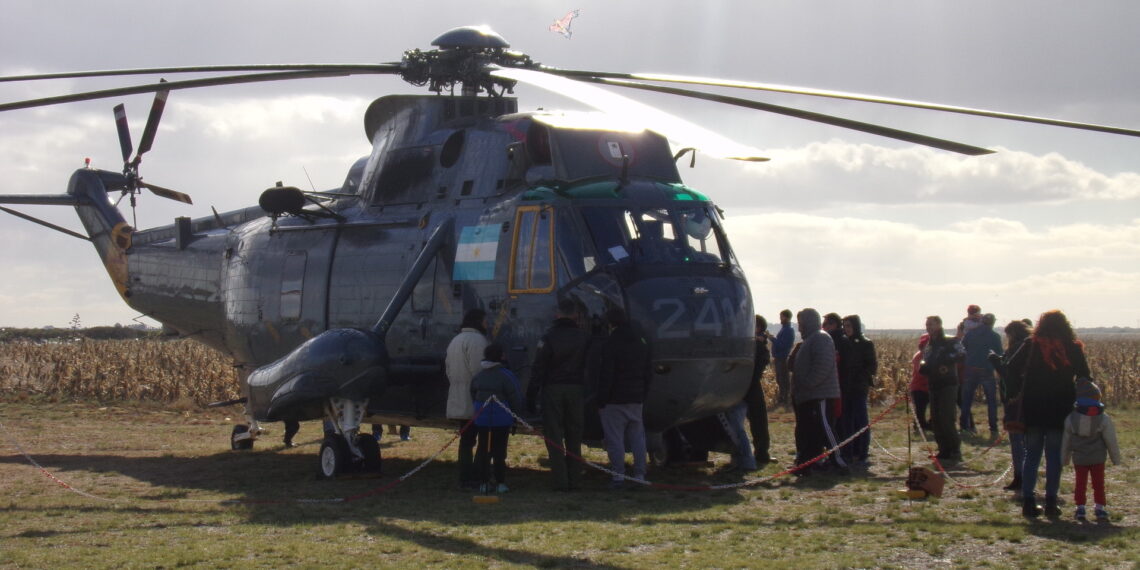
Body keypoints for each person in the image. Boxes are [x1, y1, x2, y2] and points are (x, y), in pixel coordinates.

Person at [1011, 309, 1089, 519]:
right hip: (1060, 409)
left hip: (1033, 407)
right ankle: (1051, 503)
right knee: (1054, 456)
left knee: (1031, 454)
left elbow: (1010, 368)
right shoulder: (1073, 348)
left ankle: (1028, 502)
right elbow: (1085, 377)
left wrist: (1018, 391)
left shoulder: (1031, 345)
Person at [527, 298, 590, 491]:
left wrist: (531, 394)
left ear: (557, 314)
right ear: (576, 315)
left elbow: (539, 368)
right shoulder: (585, 337)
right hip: (577, 389)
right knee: (575, 435)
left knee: (554, 436)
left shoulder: (548, 337)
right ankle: (576, 480)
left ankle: (560, 481)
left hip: (552, 388)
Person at [596, 307, 652, 489]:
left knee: (615, 440)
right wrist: (644, 393)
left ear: (610, 323)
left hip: (614, 399)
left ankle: (618, 475)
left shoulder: (611, 343)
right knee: (638, 438)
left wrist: (601, 399)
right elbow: (648, 371)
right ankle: (640, 474)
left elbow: (606, 374)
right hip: (636, 396)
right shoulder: (641, 341)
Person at [790, 308, 845, 475]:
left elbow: (822, 366)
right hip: (808, 395)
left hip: (819, 393)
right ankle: (806, 464)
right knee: (810, 432)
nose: (799, 328)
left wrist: (808, 383)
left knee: (825, 428)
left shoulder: (821, 338)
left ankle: (838, 461)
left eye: (801, 324)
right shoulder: (809, 340)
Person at [1060, 378, 1122, 522]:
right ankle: (1099, 507)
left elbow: (1066, 441)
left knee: (1080, 483)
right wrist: (1115, 458)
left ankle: (1080, 507)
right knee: (1098, 483)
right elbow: (1110, 440)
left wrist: (1064, 459)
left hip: (1080, 458)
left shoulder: (1071, 418)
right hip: (1098, 457)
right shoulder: (1103, 418)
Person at [445, 308, 490, 490]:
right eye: (485, 321)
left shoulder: (455, 340)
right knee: (483, 440)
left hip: (458, 395)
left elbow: (448, 369)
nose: (487, 324)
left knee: (465, 441)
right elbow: (479, 371)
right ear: (479, 321)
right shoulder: (478, 341)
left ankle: (465, 475)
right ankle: (479, 476)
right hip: (476, 398)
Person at [470, 344, 523, 494]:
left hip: (482, 420)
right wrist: (516, 415)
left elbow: (473, 394)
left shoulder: (479, 376)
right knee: (500, 453)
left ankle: (483, 483)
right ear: (501, 356)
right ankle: (500, 483)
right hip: (502, 420)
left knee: (483, 451)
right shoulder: (506, 375)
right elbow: (516, 398)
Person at [989, 319, 1032, 491]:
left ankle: (1020, 477)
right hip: (1028, 400)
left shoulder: (1017, 349)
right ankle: (1026, 477)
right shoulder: (1031, 349)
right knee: (1028, 442)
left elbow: (1007, 372)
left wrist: (994, 360)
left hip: (1015, 402)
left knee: (1017, 441)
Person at [920, 315, 965, 464]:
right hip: (934, 383)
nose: (929, 327)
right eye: (927, 325)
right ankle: (943, 449)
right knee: (936, 419)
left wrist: (947, 359)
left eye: (931, 324)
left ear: (939, 325)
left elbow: (962, 354)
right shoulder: (929, 344)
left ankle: (954, 449)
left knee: (947, 418)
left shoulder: (950, 340)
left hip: (948, 383)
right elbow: (926, 359)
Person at [839, 314, 876, 467]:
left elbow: (871, 367)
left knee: (861, 420)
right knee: (847, 421)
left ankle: (862, 452)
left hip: (859, 387)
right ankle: (849, 451)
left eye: (848, 326)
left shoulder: (865, 343)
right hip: (845, 388)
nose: (846, 329)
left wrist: (858, 376)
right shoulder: (843, 342)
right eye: (844, 326)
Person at [960, 313, 1004, 438]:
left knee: (967, 400)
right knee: (991, 401)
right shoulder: (995, 336)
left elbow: (963, 348)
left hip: (970, 369)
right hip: (986, 370)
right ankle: (993, 429)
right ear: (993, 322)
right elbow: (999, 354)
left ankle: (964, 426)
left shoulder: (970, 334)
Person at [744, 315, 775, 465]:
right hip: (747, 385)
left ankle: (761, 453)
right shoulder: (756, 344)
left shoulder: (759, 346)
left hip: (750, 385)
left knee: (758, 421)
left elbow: (761, 363)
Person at [771, 309, 795, 408]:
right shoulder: (785, 329)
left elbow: (782, 345)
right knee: (780, 379)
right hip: (779, 358)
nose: (780, 319)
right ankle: (783, 397)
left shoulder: (788, 330)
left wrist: (772, 339)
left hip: (782, 358)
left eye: (782, 317)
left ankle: (785, 398)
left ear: (786, 317)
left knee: (783, 379)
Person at [909, 334, 932, 432]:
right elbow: (921, 372)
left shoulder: (932, 355)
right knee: (920, 410)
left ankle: (930, 425)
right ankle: (919, 426)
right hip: (919, 387)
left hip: (930, 387)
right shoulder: (919, 356)